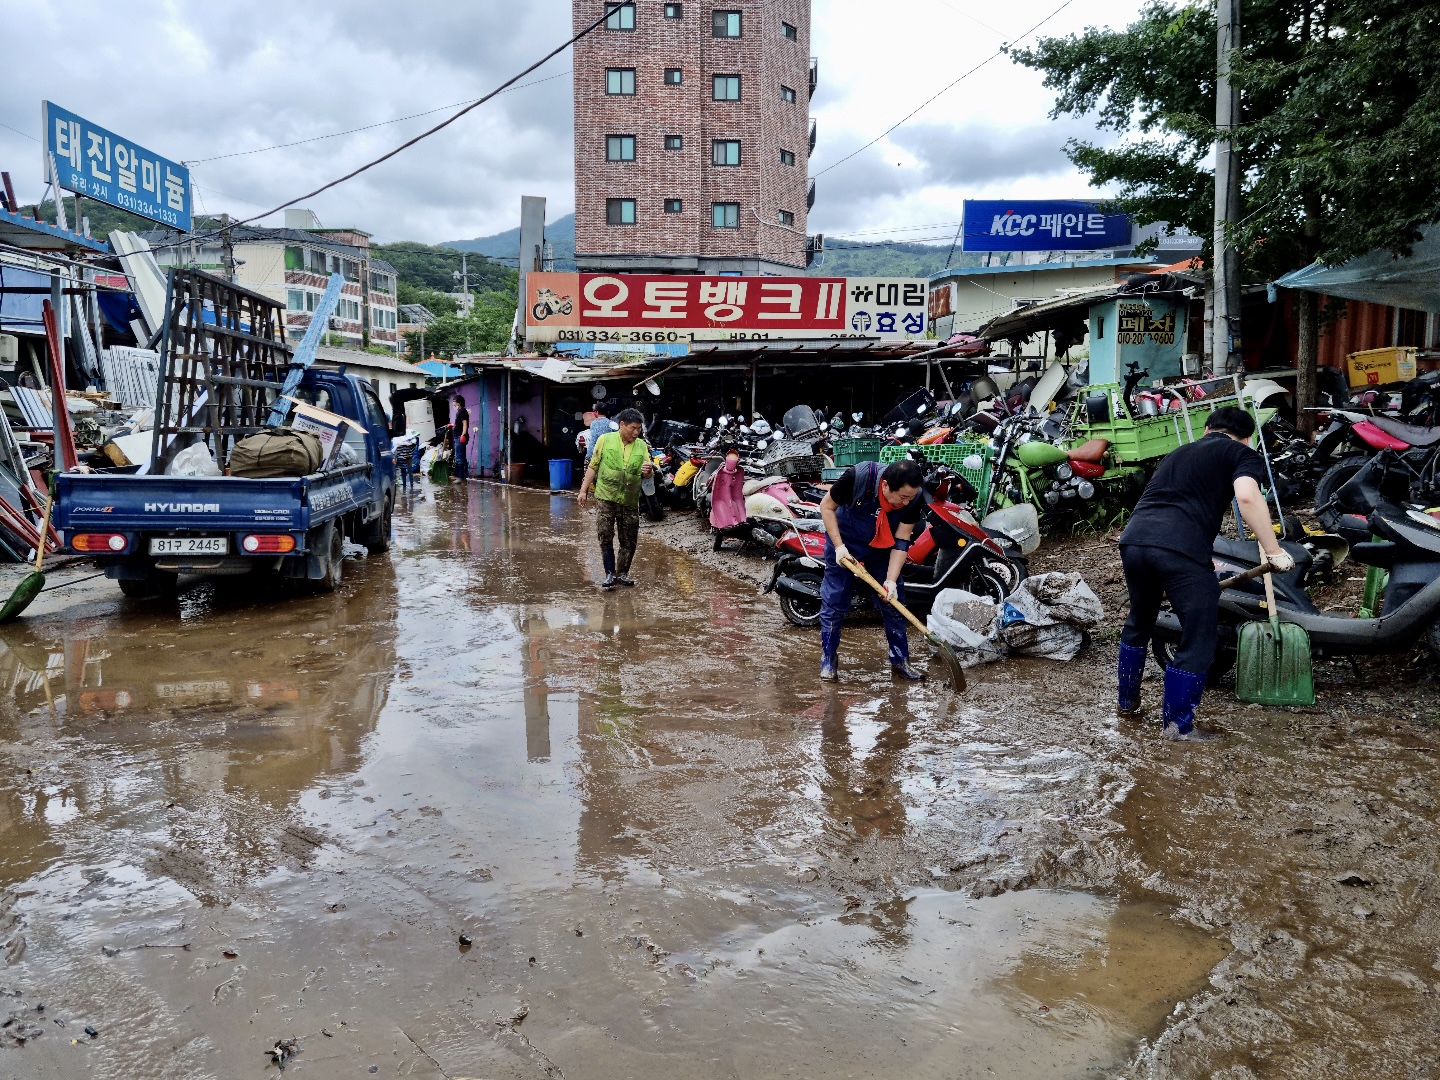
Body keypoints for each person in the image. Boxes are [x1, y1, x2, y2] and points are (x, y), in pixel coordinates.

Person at [1117, 406, 1295, 740]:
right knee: (1199, 633)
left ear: (1208, 430)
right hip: (1177, 547)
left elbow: (1173, 502)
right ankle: (1178, 728)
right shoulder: (1242, 453)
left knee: (1140, 620)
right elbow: (1246, 495)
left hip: (1134, 541)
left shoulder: (1178, 452)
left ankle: (1127, 703)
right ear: (1246, 438)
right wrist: (1273, 551)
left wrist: (1199, 558)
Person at [817, 459, 928, 682]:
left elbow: (902, 539)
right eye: (902, 497)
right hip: (846, 544)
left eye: (910, 497)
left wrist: (891, 581)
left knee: (894, 602)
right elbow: (826, 506)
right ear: (885, 485)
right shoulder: (858, 477)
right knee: (835, 599)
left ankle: (900, 660)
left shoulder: (913, 497)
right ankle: (829, 658)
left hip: (883, 548)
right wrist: (839, 547)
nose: (906, 502)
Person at [578, 407, 652, 590]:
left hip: (629, 499)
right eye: (633, 428)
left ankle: (623, 573)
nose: (636, 432)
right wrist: (583, 490)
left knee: (629, 539)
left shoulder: (641, 445)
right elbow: (593, 466)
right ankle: (610, 574)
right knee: (605, 536)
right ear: (622, 425)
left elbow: (648, 473)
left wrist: (649, 471)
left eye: (639, 429)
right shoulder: (605, 440)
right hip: (606, 497)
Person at [450, 395, 470, 483]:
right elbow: (459, 424)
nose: (453, 403)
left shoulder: (462, 411)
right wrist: (452, 425)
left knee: (459, 457)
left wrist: (463, 434)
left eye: (454, 401)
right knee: (461, 456)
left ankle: (460, 477)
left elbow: (465, 424)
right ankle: (463, 476)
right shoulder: (459, 411)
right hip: (458, 436)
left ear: (459, 402)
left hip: (460, 437)